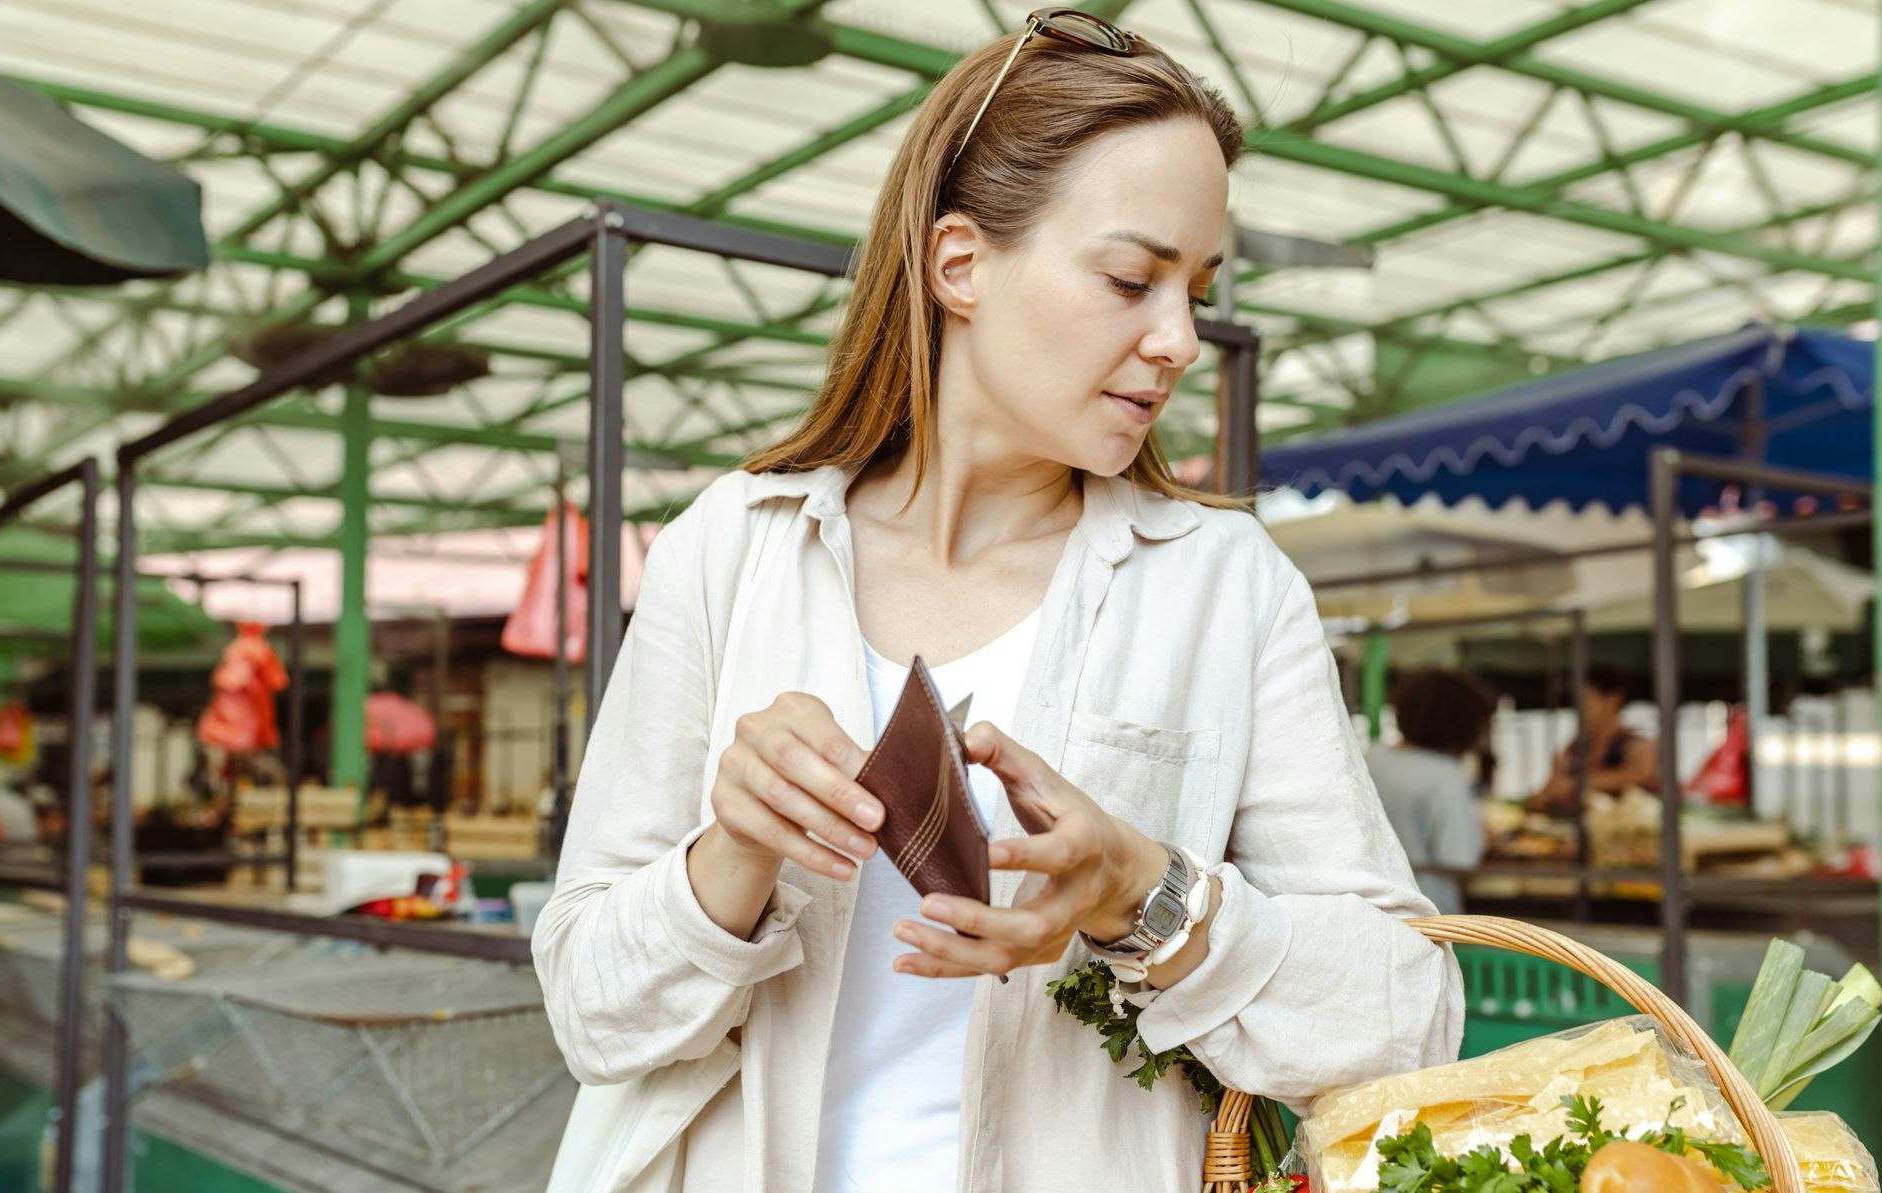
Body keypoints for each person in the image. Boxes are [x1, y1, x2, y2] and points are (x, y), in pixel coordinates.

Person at [531, 12, 1463, 1193]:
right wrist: (735, 849)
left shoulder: (1228, 589)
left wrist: (1142, 891)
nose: (1179, 338)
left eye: (1197, 289)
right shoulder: (730, 548)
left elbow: (1406, 1015)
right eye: (1132, 278)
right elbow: (591, 1016)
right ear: (958, 263)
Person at [1367, 669, 1496, 916]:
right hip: (1429, 910)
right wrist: (1482, 837)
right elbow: (1459, 858)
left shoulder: (1373, 758)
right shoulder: (1446, 774)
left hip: (1374, 905)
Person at [1527, 664, 1659, 814]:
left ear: (1614, 699)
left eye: (1587, 698)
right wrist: (1540, 799)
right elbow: (1548, 790)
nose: (1580, 706)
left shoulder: (1638, 744)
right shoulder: (1574, 748)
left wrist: (1573, 784)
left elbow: (1633, 776)